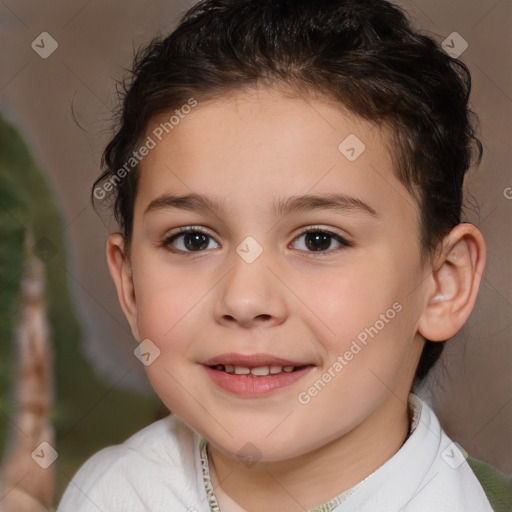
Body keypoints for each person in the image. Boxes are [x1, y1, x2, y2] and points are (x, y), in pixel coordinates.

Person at [56, 0, 510, 510]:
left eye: (319, 239)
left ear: (443, 283)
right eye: (193, 239)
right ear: (131, 284)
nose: (246, 300)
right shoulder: (105, 493)